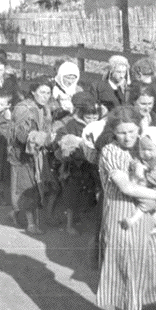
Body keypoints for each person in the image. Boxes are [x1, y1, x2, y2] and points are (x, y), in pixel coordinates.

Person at [97, 105, 156, 310]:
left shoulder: (142, 148)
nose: (128, 137)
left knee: (140, 267)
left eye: (131, 132)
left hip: (143, 217)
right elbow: (127, 187)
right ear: (113, 132)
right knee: (120, 270)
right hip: (120, 215)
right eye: (121, 133)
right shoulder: (110, 152)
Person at [8, 81, 56, 235]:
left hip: (37, 153)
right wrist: (38, 137)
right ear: (33, 92)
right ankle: (30, 224)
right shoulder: (24, 109)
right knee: (27, 186)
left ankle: (15, 213)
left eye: (48, 93)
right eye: (42, 92)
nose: (45, 96)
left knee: (35, 185)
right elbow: (20, 135)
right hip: (23, 154)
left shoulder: (45, 109)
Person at [54, 91, 101, 235]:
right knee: (72, 195)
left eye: (95, 116)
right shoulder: (72, 124)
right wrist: (71, 142)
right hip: (74, 165)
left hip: (90, 166)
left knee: (87, 193)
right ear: (81, 115)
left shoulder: (99, 126)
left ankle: (79, 218)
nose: (92, 119)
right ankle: (68, 224)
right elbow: (60, 138)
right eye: (88, 117)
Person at [123, 126, 156, 236]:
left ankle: (132, 220)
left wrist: (143, 180)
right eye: (143, 149)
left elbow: (153, 177)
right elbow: (135, 162)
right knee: (151, 209)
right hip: (155, 194)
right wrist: (137, 166)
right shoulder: (149, 160)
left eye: (150, 149)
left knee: (145, 205)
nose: (146, 153)